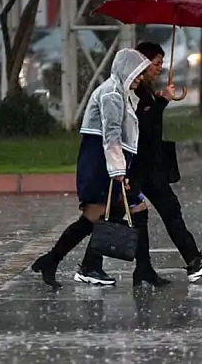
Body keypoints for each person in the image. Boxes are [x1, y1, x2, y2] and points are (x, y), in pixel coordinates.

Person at [79, 41, 202, 285]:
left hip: (150, 166)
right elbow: (140, 127)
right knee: (118, 215)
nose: (160, 68)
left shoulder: (145, 91)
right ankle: (90, 265)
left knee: (165, 211)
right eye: (156, 63)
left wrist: (159, 100)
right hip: (138, 166)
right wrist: (162, 102)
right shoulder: (132, 91)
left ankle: (184, 261)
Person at [30, 48, 157, 289]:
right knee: (94, 218)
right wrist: (118, 171)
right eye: (137, 73)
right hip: (101, 164)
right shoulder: (111, 94)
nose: (140, 78)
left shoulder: (121, 93)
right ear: (125, 71)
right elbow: (111, 135)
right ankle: (61, 262)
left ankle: (135, 268)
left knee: (129, 210)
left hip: (109, 162)